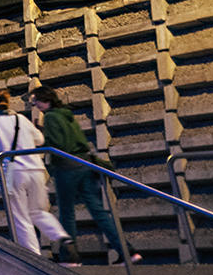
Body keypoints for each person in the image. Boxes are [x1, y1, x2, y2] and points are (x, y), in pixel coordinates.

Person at [30, 85, 136, 265]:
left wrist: (39, 141)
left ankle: (70, 256)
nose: (36, 105)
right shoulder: (65, 114)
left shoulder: (51, 117)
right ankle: (127, 251)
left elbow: (58, 145)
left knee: (66, 213)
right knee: (98, 211)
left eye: (36, 101)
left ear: (45, 99)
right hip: (84, 163)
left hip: (66, 167)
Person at [0, 88, 74, 262]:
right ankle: (63, 238)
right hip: (36, 169)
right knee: (39, 211)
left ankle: (34, 258)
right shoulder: (21, 119)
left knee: (20, 216)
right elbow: (39, 140)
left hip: (15, 171)